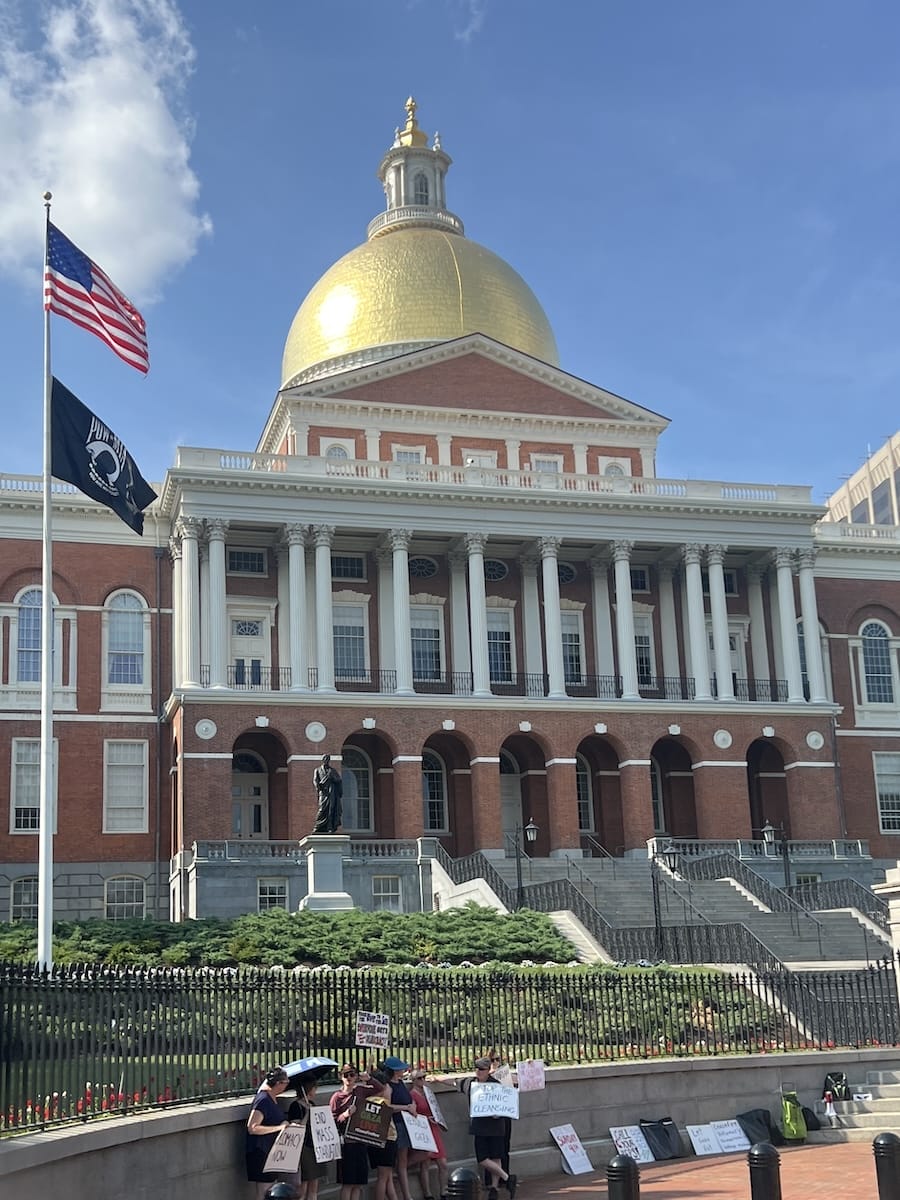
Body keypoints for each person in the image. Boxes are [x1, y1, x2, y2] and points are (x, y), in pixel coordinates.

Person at [464, 1057, 517, 1200]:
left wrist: (497, 1113)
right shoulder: (470, 1083)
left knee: (496, 1156)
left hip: (495, 1127)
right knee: (482, 1158)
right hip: (479, 1127)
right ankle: (507, 1177)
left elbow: (505, 1104)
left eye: (481, 1069)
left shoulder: (496, 1085)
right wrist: (437, 1079)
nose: (478, 1071)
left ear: (488, 1071)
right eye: (476, 1068)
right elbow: (455, 1083)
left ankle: (494, 1187)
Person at [245, 1066, 290, 1199]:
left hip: (271, 1151)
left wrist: (283, 1124)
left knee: (271, 1190)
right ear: (278, 1083)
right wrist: (278, 1128)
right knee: (265, 1192)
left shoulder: (272, 1099)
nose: (286, 1086)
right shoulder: (263, 1100)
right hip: (261, 1151)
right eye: (286, 1083)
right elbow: (252, 1127)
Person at [330, 1065, 371, 1200]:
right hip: (347, 1143)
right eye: (345, 1075)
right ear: (341, 1077)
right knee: (348, 1183)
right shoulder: (337, 1097)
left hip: (360, 1140)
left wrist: (369, 1079)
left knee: (358, 1184)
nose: (349, 1078)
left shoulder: (359, 1091)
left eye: (352, 1075)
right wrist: (346, 1114)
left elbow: (380, 1089)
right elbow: (333, 1120)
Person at [380, 1056, 417, 1200]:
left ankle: (404, 1194)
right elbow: (387, 1106)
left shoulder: (400, 1083)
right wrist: (406, 1107)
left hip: (406, 1123)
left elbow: (408, 1098)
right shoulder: (388, 1086)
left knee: (403, 1160)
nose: (403, 1070)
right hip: (396, 1125)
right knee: (399, 1160)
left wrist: (412, 1105)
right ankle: (405, 1195)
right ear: (395, 1071)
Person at [408, 1068, 448, 1200]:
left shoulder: (428, 1092)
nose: (423, 1080)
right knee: (425, 1163)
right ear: (413, 1081)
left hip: (434, 1127)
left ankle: (443, 1191)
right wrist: (425, 1119)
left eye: (424, 1077)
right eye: (419, 1078)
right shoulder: (412, 1095)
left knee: (442, 1163)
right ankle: (427, 1194)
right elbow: (412, 1113)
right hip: (423, 1128)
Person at [287, 1078, 328, 1200]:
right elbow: (297, 1128)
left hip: (314, 1145)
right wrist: (307, 1114)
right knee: (304, 1183)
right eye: (314, 1088)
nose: (316, 1090)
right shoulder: (295, 1106)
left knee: (314, 1183)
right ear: (309, 1089)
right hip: (303, 1147)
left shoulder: (312, 1103)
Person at [312, 753, 343, 833]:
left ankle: (330, 827)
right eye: (325, 759)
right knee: (322, 809)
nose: (326, 760)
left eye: (328, 759)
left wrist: (333, 778)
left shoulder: (332, 771)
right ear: (323, 760)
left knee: (331, 809)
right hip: (323, 792)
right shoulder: (317, 770)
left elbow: (339, 780)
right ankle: (318, 826)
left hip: (331, 791)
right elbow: (315, 780)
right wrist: (318, 788)